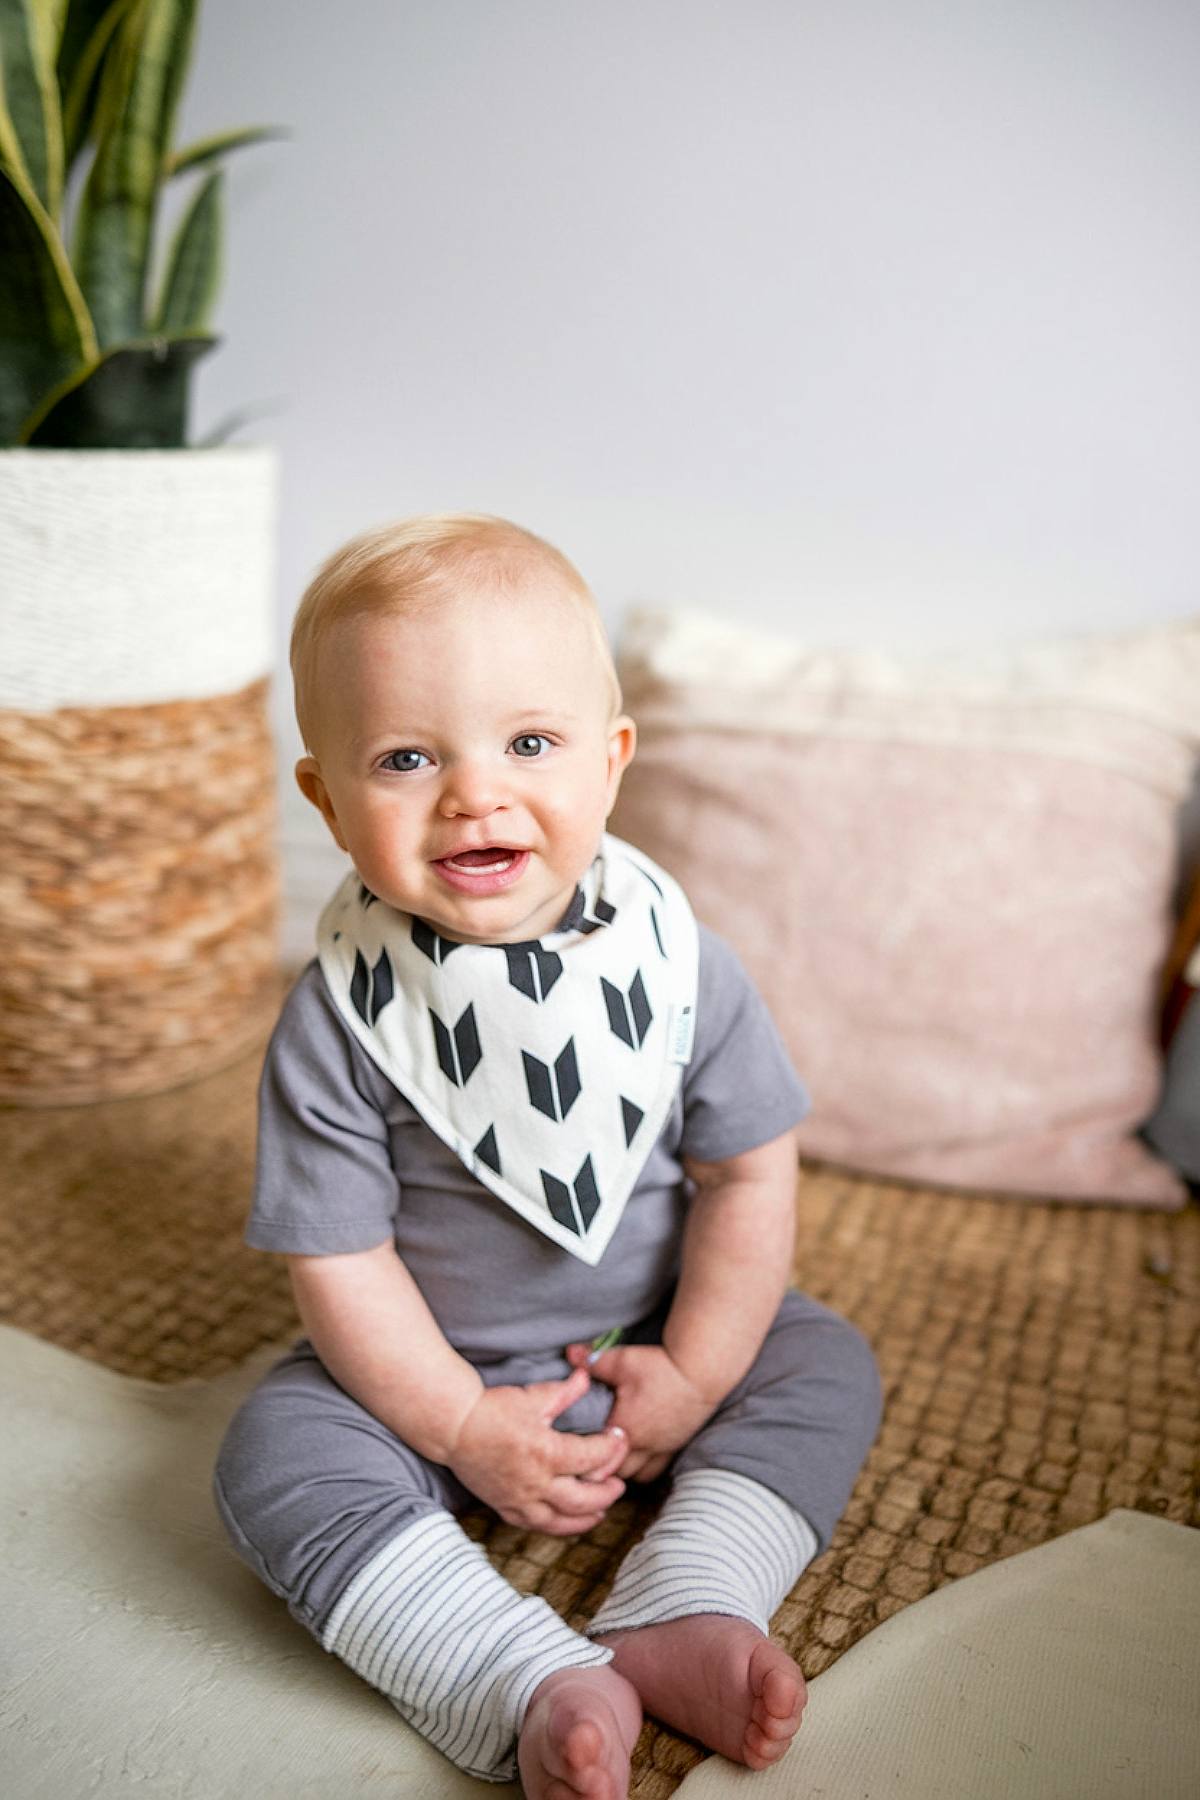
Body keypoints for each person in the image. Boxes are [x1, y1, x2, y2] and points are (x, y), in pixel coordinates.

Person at [213, 514, 882, 1800]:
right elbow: (339, 1256)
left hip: (648, 1330)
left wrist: (692, 1371)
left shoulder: (677, 962)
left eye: (530, 743)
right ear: (327, 798)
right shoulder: (344, 1009)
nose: (476, 792)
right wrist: (458, 1423)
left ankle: (688, 1602)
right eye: (406, 758)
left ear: (612, 761)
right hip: (428, 1370)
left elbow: (750, 1171)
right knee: (272, 1453)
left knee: (821, 1359)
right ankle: (512, 1672)